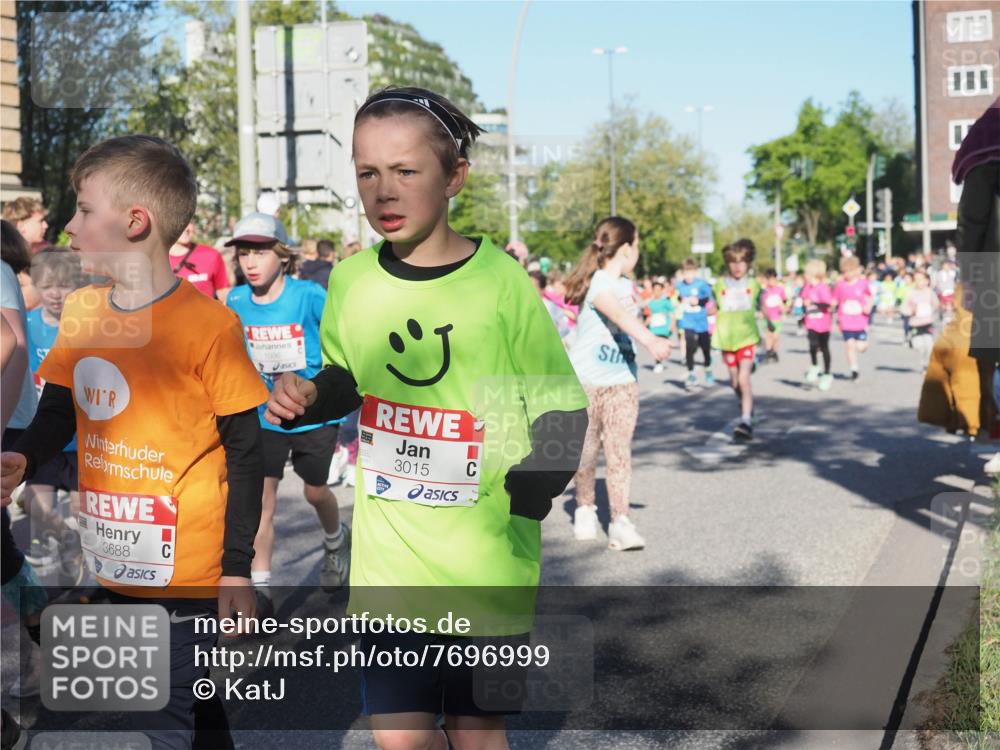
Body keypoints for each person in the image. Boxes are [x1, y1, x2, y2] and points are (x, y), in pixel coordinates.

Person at [263, 86, 589, 750]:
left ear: (454, 178)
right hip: (389, 569)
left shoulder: (500, 282)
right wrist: (310, 394)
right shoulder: (351, 281)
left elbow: (562, 405)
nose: (384, 190)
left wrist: (533, 488)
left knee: (475, 735)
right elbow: (348, 379)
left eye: (406, 170)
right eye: (367, 172)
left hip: (485, 566)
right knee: (400, 740)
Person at [0, 135, 269, 750]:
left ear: (134, 221)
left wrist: (235, 570)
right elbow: (60, 410)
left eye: (84, 210)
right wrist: (26, 456)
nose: (69, 225)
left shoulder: (210, 325)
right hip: (114, 555)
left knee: (163, 719)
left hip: (187, 571)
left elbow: (247, 454)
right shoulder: (85, 310)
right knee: (195, 712)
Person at [224, 212, 349, 615]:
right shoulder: (236, 300)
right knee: (263, 501)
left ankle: (334, 541)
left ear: (282, 255)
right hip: (264, 416)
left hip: (313, 413)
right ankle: (261, 587)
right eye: (243, 253)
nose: (250, 262)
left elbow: (339, 342)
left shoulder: (309, 295)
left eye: (260, 252)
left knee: (315, 491)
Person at [565, 216, 671, 549]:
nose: (638, 252)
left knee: (618, 452)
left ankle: (620, 522)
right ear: (625, 248)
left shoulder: (628, 287)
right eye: (637, 245)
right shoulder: (599, 283)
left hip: (622, 381)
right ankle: (584, 507)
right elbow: (617, 315)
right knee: (585, 452)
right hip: (586, 381)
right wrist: (651, 340)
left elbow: (627, 315)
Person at [22, 248, 85, 588]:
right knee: (36, 504)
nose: (56, 294)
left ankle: (82, 575)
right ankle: (63, 539)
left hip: (80, 437)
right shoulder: (29, 324)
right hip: (42, 432)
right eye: (47, 286)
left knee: (82, 510)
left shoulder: (86, 325)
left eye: (63, 285)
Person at [712, 240, 762, 441]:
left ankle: (746, 422)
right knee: (734, 383)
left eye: (742, 262)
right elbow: (714, 305)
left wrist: (769, 323)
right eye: (733, 262)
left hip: (747, 337)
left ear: (748, 263)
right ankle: (748, 408)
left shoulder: (753, 284)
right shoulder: (720, 285)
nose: (737, 266)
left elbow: (762, 303)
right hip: (726, 338)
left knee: (743, 379)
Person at [832, 255, 873, 382]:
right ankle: (854, 369)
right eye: (845, 271)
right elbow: (835, 299)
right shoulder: (840, 285)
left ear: (856, 270)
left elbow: (870, 297)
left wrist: (868, 307)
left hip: (860, 320)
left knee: (860, 347)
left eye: (851, 271)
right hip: (845, 320)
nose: (848, 274)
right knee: (849, 345)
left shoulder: (863, 283)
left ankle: (863, 345)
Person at [675, 257, 714, 390]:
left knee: (705, 347)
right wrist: (681, 300)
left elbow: (707, 299)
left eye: (691, 272)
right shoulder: (680, 285)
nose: (688, 276)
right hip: (688, 321)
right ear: (683, 273)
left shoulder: (701, 284)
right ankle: (691, 373)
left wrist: (698, 301)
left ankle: (708, 367)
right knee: (689, 346)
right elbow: (678, 297)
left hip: (701, 321)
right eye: (686, 273)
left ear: (695, 272)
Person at [168, 222, 232, 301]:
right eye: (179, 222)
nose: (186, 228)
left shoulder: (210, 255)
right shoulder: (158, 259)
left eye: (189, 222)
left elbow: (223, 292)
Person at [799, 259, 834, 391]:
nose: (805, 276)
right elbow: (803, 300)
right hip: (811, 322)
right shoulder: (807, 287)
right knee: (812, 345)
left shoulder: (823, 288)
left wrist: (814, 302)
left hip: (823, 323)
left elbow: (828, 304)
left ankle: (827, 373)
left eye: (807, 273)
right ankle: (814, 366)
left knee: (824, 347)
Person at [901, 269, 940, 370]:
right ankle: (911, 342)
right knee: (919, 345)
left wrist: (932, 309)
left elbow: (936, 305)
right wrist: (911, 310)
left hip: (927, 322)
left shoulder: (930, 293)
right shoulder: (911, 293)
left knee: (929, 345)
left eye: (921, 279)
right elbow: (904, 308)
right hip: (915, 323)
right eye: (916, 279)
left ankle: (926, 364)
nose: (919, 282)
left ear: (927, 281)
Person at [645, 279, 675, 373]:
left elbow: (672, 314)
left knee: (664, 345)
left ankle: (661, 358)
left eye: (659, 289)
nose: (657, 292)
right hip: (654, 328)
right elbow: (650, 316)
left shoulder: (666, 302)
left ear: (662, 290)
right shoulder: (651, 303)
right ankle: (658, 363)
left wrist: (672, 326)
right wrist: (644, 325)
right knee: (656, 345)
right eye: (655, 289)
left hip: (664, 328)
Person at [760, 269, 788, 363]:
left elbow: (785, 301)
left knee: (775, 337)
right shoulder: (764, 291)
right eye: (770, 279)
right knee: (768, 336)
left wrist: (784, 308)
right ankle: (768, 352)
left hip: (777, 317)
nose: (772, 282)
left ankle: (775, 351)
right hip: (767, 318)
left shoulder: (779, 290)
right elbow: (761, 304)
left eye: (774, 279)